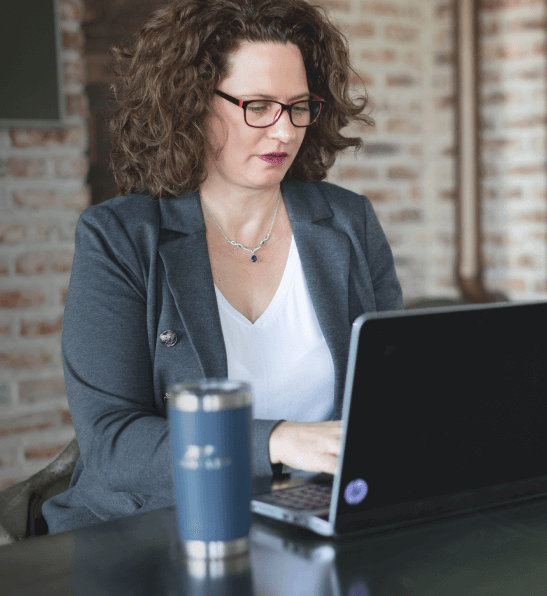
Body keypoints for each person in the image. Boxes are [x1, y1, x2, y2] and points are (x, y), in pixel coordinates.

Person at [38, 0, 403, 536]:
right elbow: (113, 444)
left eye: (299, 106)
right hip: (150, 529)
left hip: (308, 515)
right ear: (190, 104)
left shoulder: (350, 222)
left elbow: (389, 396)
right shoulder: (119, 237)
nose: (283, 132)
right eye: (258, 106)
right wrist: (277, 441)